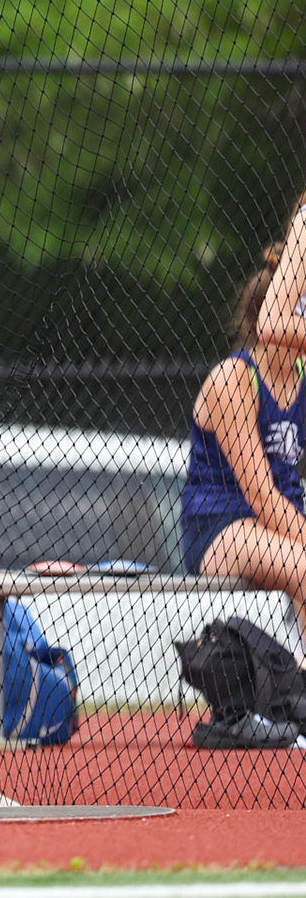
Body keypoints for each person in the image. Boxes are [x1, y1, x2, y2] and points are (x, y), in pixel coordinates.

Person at [184, 242, 306, 687]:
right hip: (221, 525)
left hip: (283, 524)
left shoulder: (302, 374)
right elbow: (259, 494)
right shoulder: (233, 380)